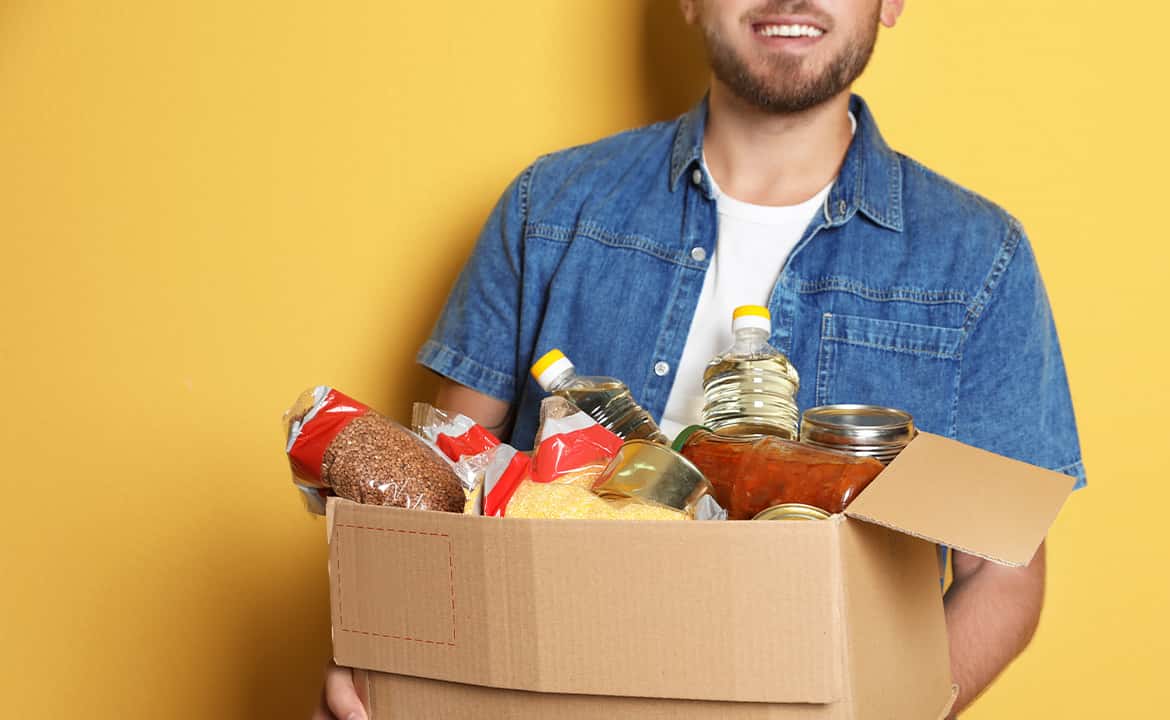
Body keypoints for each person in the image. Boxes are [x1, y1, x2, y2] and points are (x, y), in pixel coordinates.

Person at [314, 0, 1086, 717]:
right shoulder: (548, 208)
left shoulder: (980, 260)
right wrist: (380, 658)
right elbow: (431, 496)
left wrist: (884, 708)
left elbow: (1004, 574)